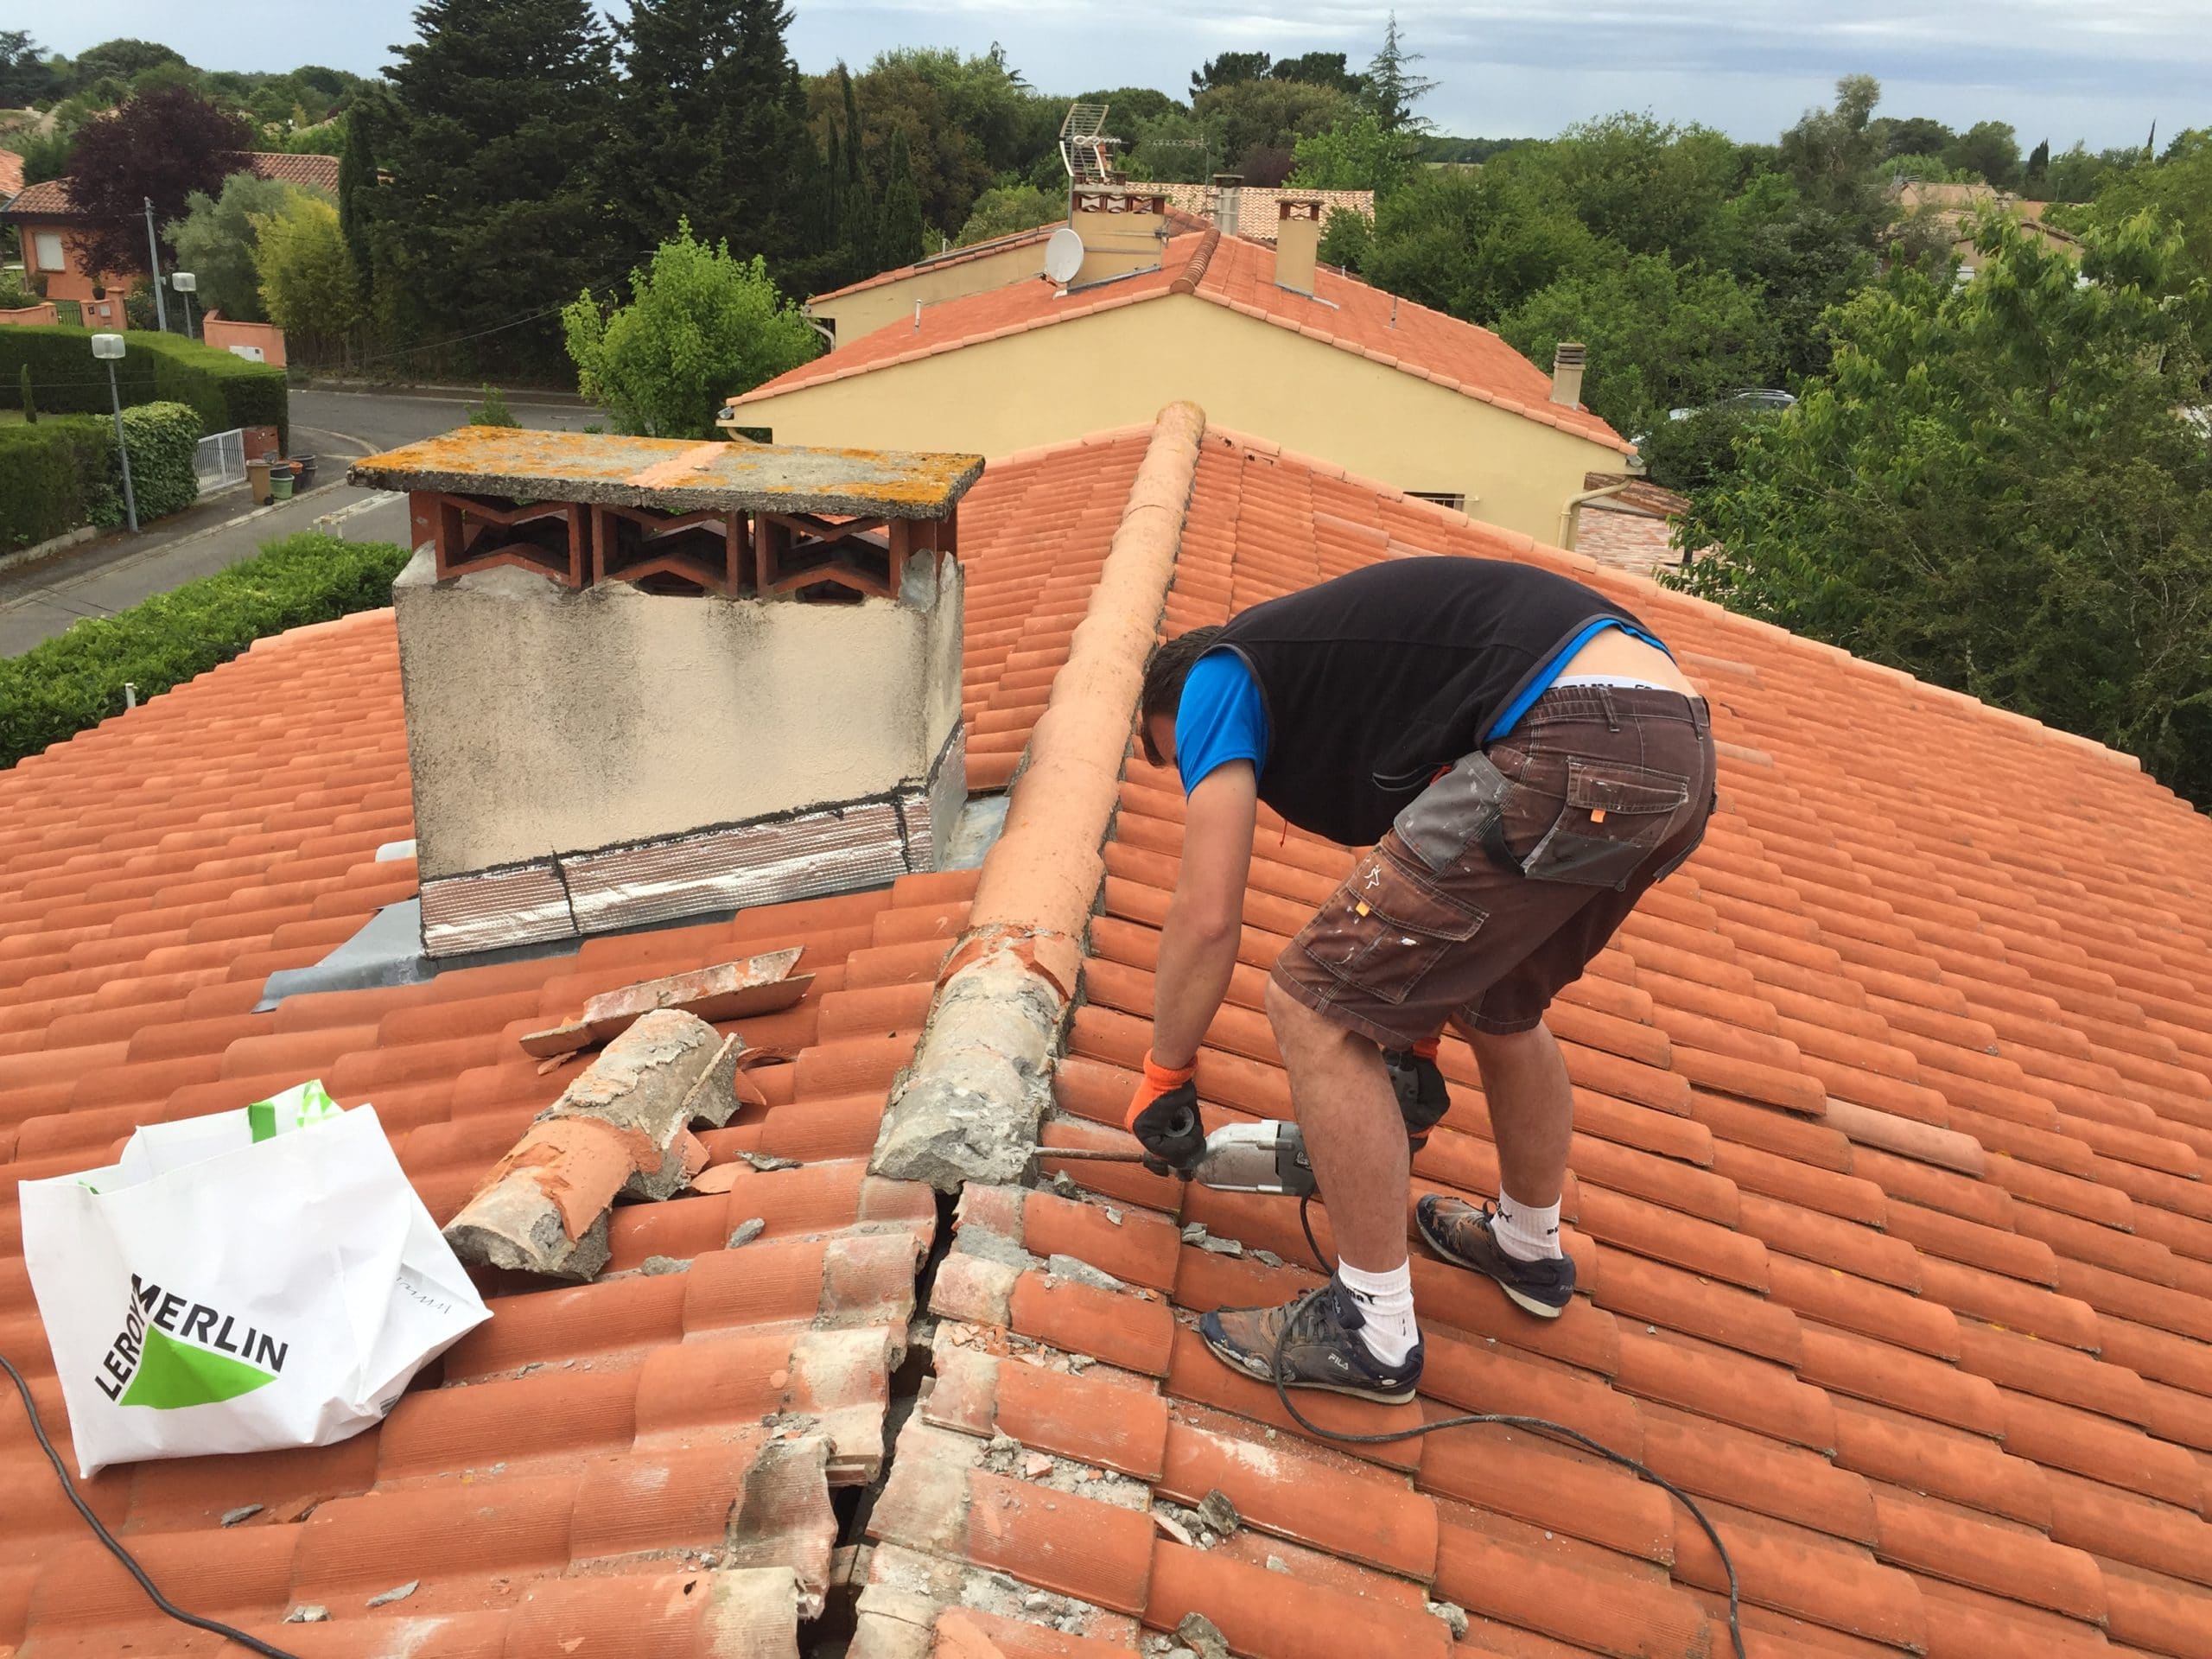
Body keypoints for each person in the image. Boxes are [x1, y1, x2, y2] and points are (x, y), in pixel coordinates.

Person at [1125, 556, 1715, 1403]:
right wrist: (1416, 1045)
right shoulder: (1356, 691)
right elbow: (1440, 905)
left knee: (1312, 1004)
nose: (1193, 769)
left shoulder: (1220, 674)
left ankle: (1371, 1330)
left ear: (1175, 706)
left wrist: (1165, 1072)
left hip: (1570, 730)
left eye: (1173, 752)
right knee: (1499, 1007)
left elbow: (1208, 913)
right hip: (1677, 746)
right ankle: (1527, 1246)